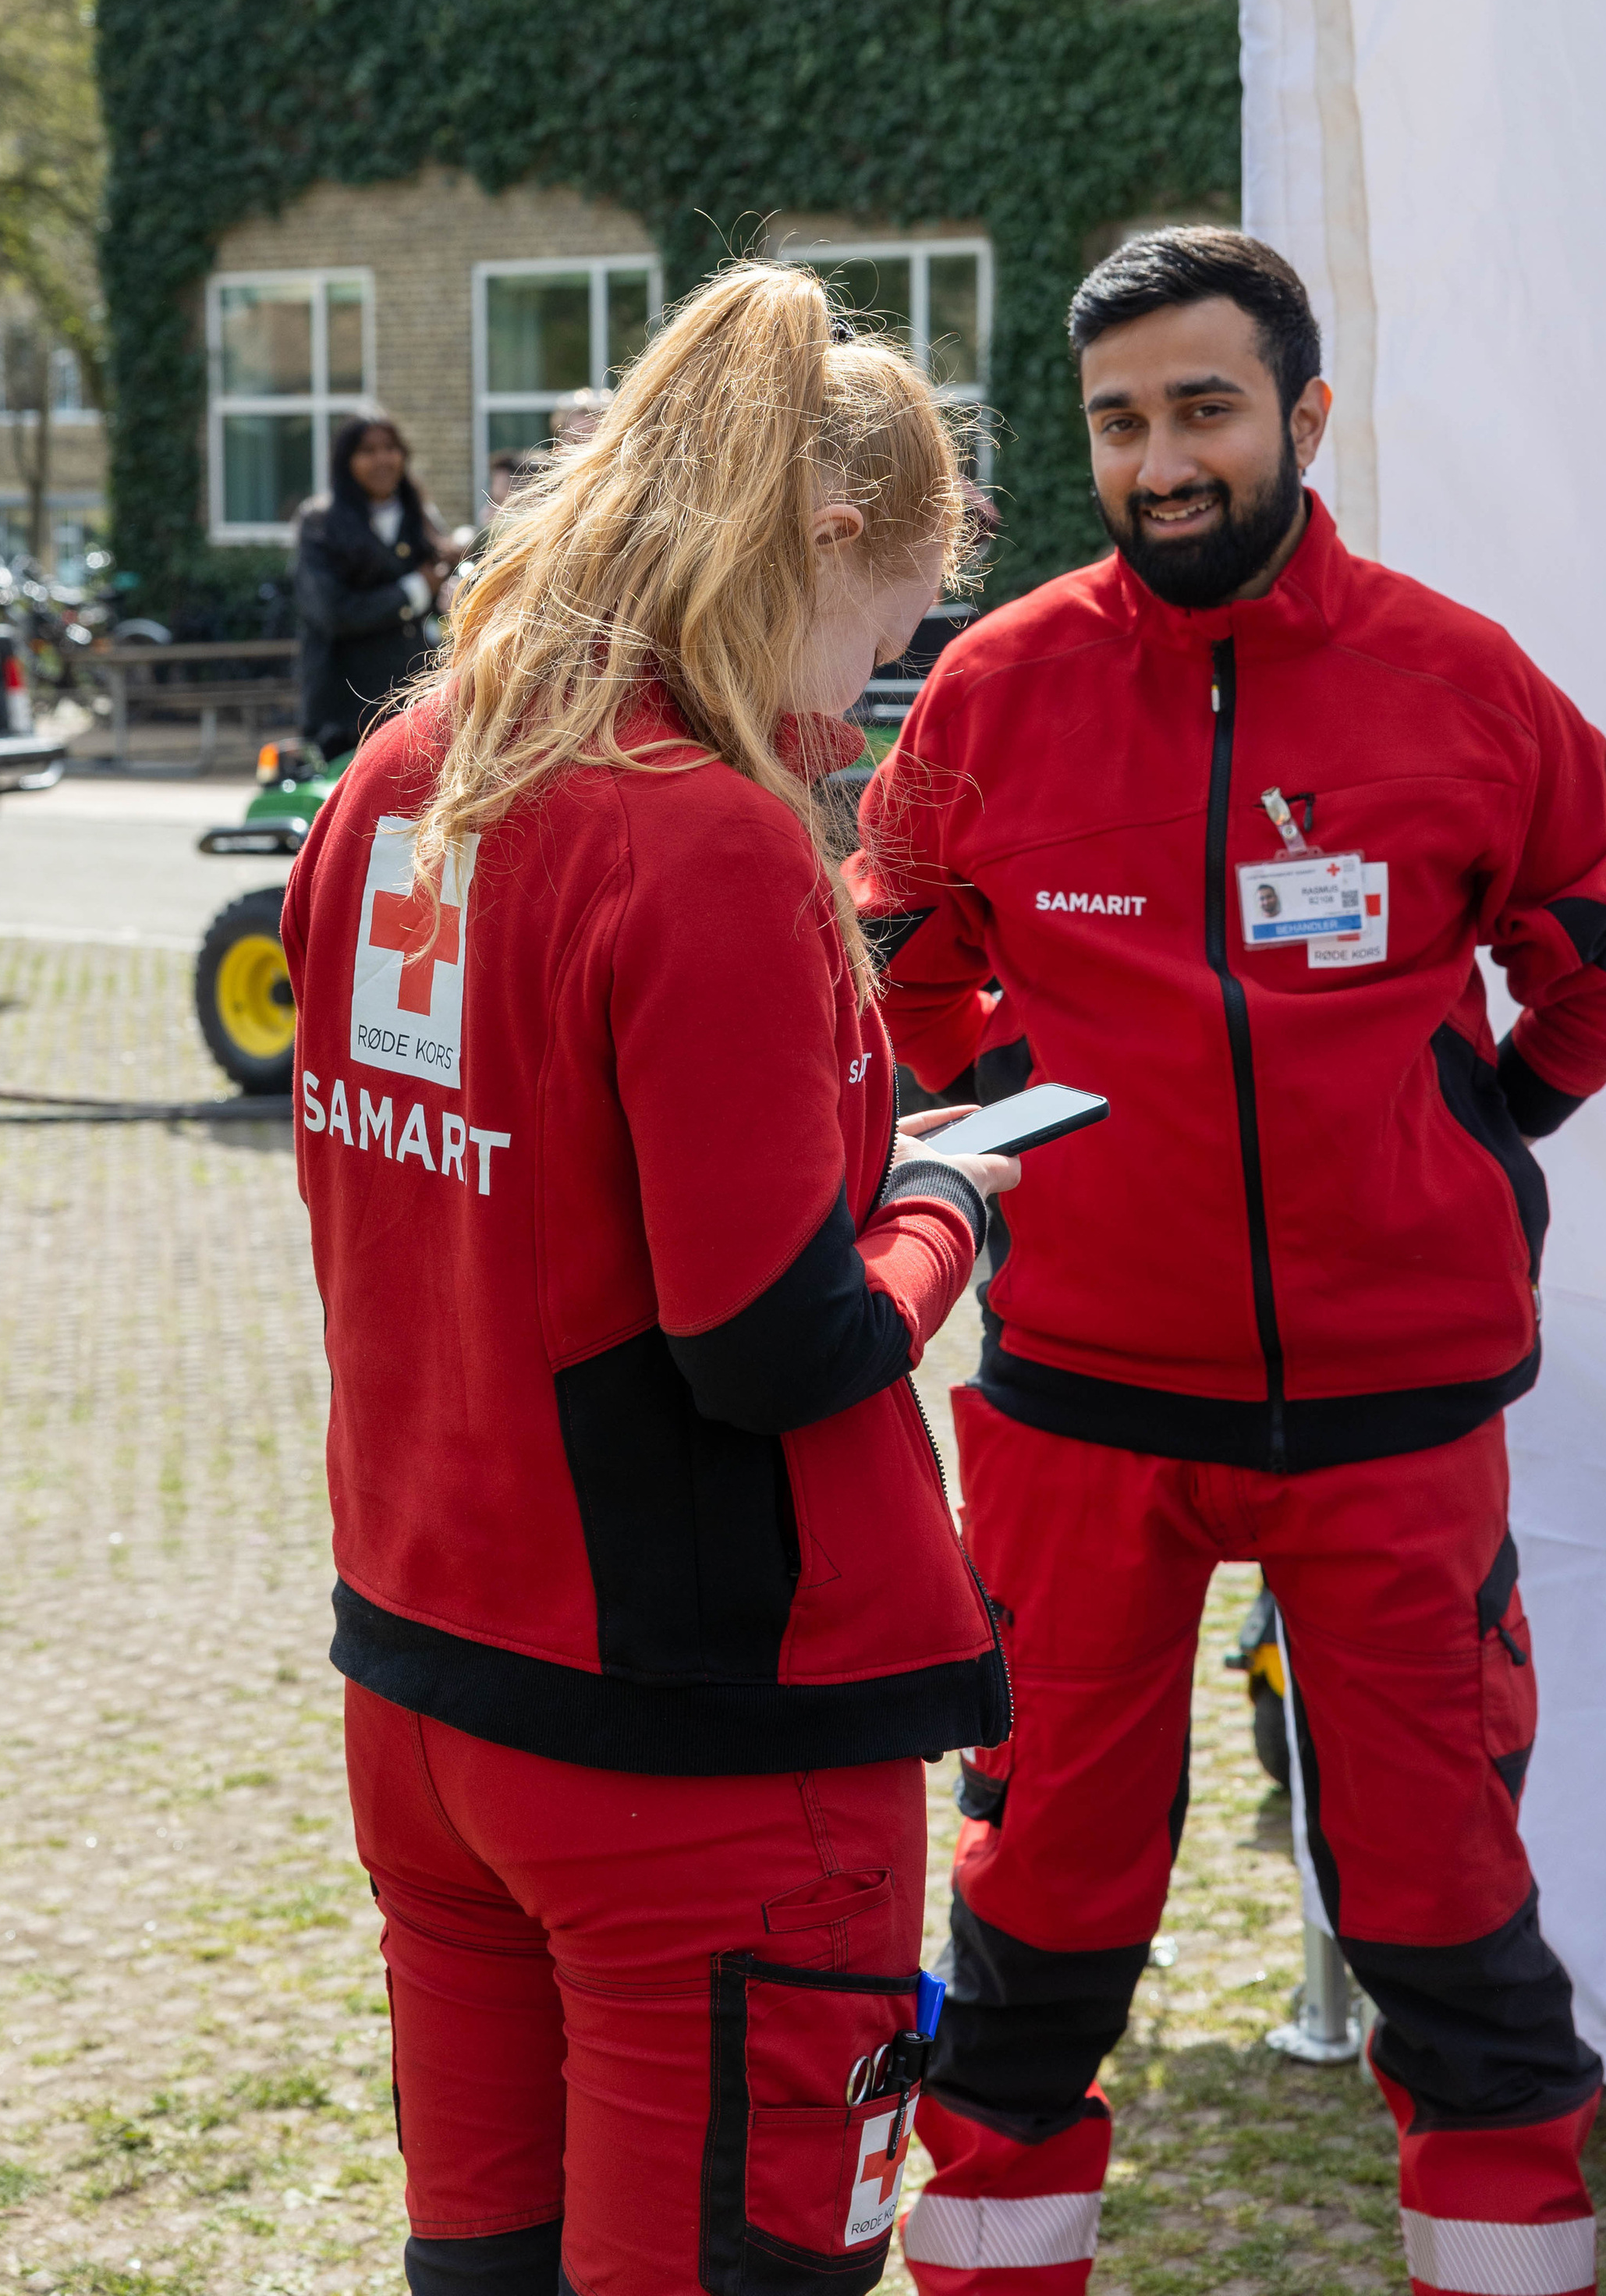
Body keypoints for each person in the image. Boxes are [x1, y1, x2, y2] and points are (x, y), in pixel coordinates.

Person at [849, 227, 1606, 2296]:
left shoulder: (1460, 679)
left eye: (1205, 408)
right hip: (1082, 1412)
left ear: (1306, 416)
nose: (1162, 460)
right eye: (1121, 422)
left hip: (1394, 1428)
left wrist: (1466, 1140)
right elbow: (895, 960)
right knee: (1038, 1921)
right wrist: (1020, 1100)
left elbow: (1601, 962)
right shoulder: (997, 685)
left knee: (1449, 1931)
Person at [279, 264, 1019, 2296]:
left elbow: (409, 1208)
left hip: (431, 1684)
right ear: (835, 548)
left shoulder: (408, 769)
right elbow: (775, 1343)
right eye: (891, 640)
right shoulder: (703, 834)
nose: (874, 698)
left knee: (490, 2268)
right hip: (690, 1740)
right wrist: (953, 1203)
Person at [294, 415, 452, 758]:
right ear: (345, 460)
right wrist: (415, 590)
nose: (382, 459)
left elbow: (442, 596)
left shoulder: (419, 516)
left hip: (414, 705)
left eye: (390, 448)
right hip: (347, 713)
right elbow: (332, 613)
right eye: (368, 451)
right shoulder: (321, 522)